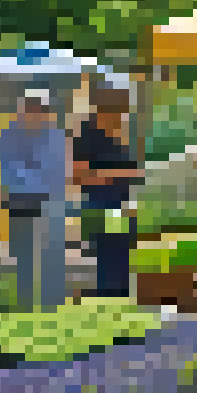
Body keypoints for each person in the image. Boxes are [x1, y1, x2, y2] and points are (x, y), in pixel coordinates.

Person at [0, 90, 71, 312]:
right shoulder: (7, 135)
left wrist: (30, 177)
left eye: (39, 109)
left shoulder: (55, 136)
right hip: (21, 201)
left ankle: (53, 305)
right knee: (24, 257)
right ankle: (25, 305)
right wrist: (36, 180)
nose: (33, 113)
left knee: (53, 255)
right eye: (29, 108)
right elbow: (8, 169)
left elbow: (56, 170)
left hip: (51, 202)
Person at [73, 85, 144, 299]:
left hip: (122, 201)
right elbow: (78, 173)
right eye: (120, 109)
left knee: (122, 251)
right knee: (108, 251)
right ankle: (109, 297)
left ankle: (120, 296)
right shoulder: (88, 133)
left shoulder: (123, 133)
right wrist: (118, 173)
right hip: (101, 201)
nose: (123, 115)